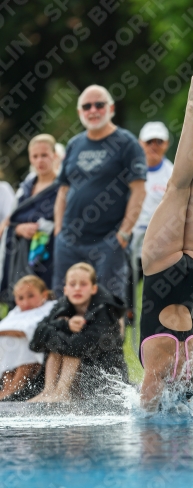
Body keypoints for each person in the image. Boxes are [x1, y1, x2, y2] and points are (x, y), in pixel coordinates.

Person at [139, 69, 193, 412]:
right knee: (180, 188)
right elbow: (144, 412)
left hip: (192, 277)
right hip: (162, 270)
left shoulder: (190, 367)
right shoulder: (157, 362)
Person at [53, 84, 147, 302]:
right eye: (86, 106)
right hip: (69, 241)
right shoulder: (74, 144)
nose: (93, 110)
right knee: (64, 306)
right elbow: (62, 191)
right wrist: (59, 232)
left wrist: (123, 234)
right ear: (79, 112)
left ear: (111, 108)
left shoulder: (127, 144)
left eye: (99, 104)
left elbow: (139, 191)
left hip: (108, 241)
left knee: (108, 307)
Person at [29, 262, 128, 402]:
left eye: (83, 284)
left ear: (93, 289)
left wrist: (59, 332)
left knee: (68, 347)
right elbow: (35, 339)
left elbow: (79, 347)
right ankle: (49, 391)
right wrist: (65, 324)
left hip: (103, 379)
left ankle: (61, 393)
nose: (77, 288)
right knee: (58, 345)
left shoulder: (105, 310)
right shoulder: (63, 305)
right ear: (65, 289)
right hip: (76, 376)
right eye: (72, 284)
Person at [0, 134, 59, 301]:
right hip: (23, 256)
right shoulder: (24, 190)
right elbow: (11, 221)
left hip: (52, 256)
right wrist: (18, 229)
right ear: (30, 159)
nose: (40, 160)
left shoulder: (62, 188)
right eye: (35, 156)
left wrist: (45, 228)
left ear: (54, 156)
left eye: (44, 155)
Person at [0, 275, 56, 400]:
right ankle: (7, 386)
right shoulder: (16, 311)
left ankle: (18, 384)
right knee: (4, 341)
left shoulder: (50, 306)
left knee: (22, 342)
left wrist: (6, 332)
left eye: (31, 296)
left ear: (44, 294)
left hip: (39, 351)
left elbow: (29, 330)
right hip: (10, 353)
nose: (25, 302)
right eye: (20, 298)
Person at [131, 122, 173, 260]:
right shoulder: (128, 170)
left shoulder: (173, 173)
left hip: (161, 246)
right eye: (149, 142)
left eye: (159, 142)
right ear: (140, 143)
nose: (154, 146)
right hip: (130, 243)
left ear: (166, 144)